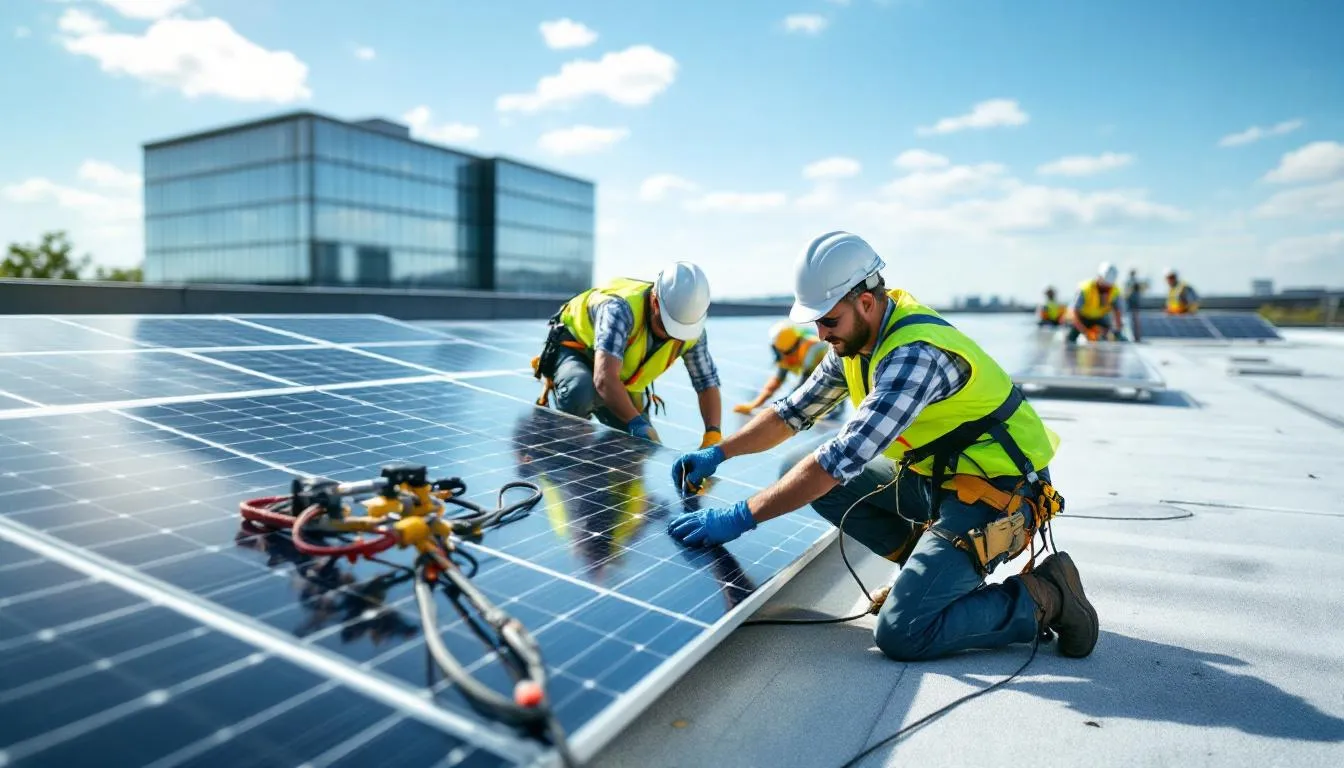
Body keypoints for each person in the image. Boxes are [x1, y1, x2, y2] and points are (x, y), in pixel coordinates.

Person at [664, 231, 1099, 663]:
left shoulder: (913, 356)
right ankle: (929, 574)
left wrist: (742, 516)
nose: (819, 333)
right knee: (797, 467)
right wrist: (720, 452)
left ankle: (1046, 595)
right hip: (937, 479)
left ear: (866, 303)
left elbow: (838, 461)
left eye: (828, 320)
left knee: (903, 632)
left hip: (998, 491)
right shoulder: (855, 342)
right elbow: (790, 414)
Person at [531, 262, 724, 449]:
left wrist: (712, 434)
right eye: (667, 326)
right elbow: (604, 379)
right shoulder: (620, 309)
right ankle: (564, 433)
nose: (672, 336)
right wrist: (636, 423)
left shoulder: (692, 331)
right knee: (580, 390)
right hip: (577, 349)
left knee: (642, 447)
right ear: (655, 302)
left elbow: (706, 382)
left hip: (618, 375)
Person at [732, 321, 834, 416]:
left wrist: (779, 409)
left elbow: (803, 386)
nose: (780, 358)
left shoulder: (812, 349)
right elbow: (776, 381)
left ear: (791, 349)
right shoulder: (786, 351)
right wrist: (753, 405)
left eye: (781, 353)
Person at [1066, 262, 1126, 344]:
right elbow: (1074, 313)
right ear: (1099, 278)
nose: (1106, 289)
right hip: (1082, 318)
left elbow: (1118, 313)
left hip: (1100, 318)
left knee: (1117, 336)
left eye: (1108, 287)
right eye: (1104, 286)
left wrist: (1117, 331)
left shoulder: (1115, 291)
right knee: (1070, 338)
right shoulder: (1085, 288)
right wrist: (1085, 332)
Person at [1124, 268, 1147, 342]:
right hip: (1129, 306)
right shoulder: (1128, 283)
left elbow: (1142, 291)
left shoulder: (1137, 283)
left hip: (1135, 306)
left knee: (1136, 323)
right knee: (1128, 323)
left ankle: (1137, 337)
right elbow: (1125, 294)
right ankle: (1131, 337)